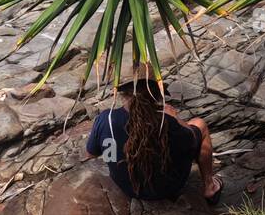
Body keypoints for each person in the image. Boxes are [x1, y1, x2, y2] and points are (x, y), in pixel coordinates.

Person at [85, 76, 222, 203]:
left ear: (123, 94)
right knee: (200, 124)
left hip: (127, 187)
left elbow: (91, 153)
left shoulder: (106, 118)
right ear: (156, 96)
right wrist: (175, 118)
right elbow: (191, 140)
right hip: (166, 189)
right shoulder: (166, 122)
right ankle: (210, 187)